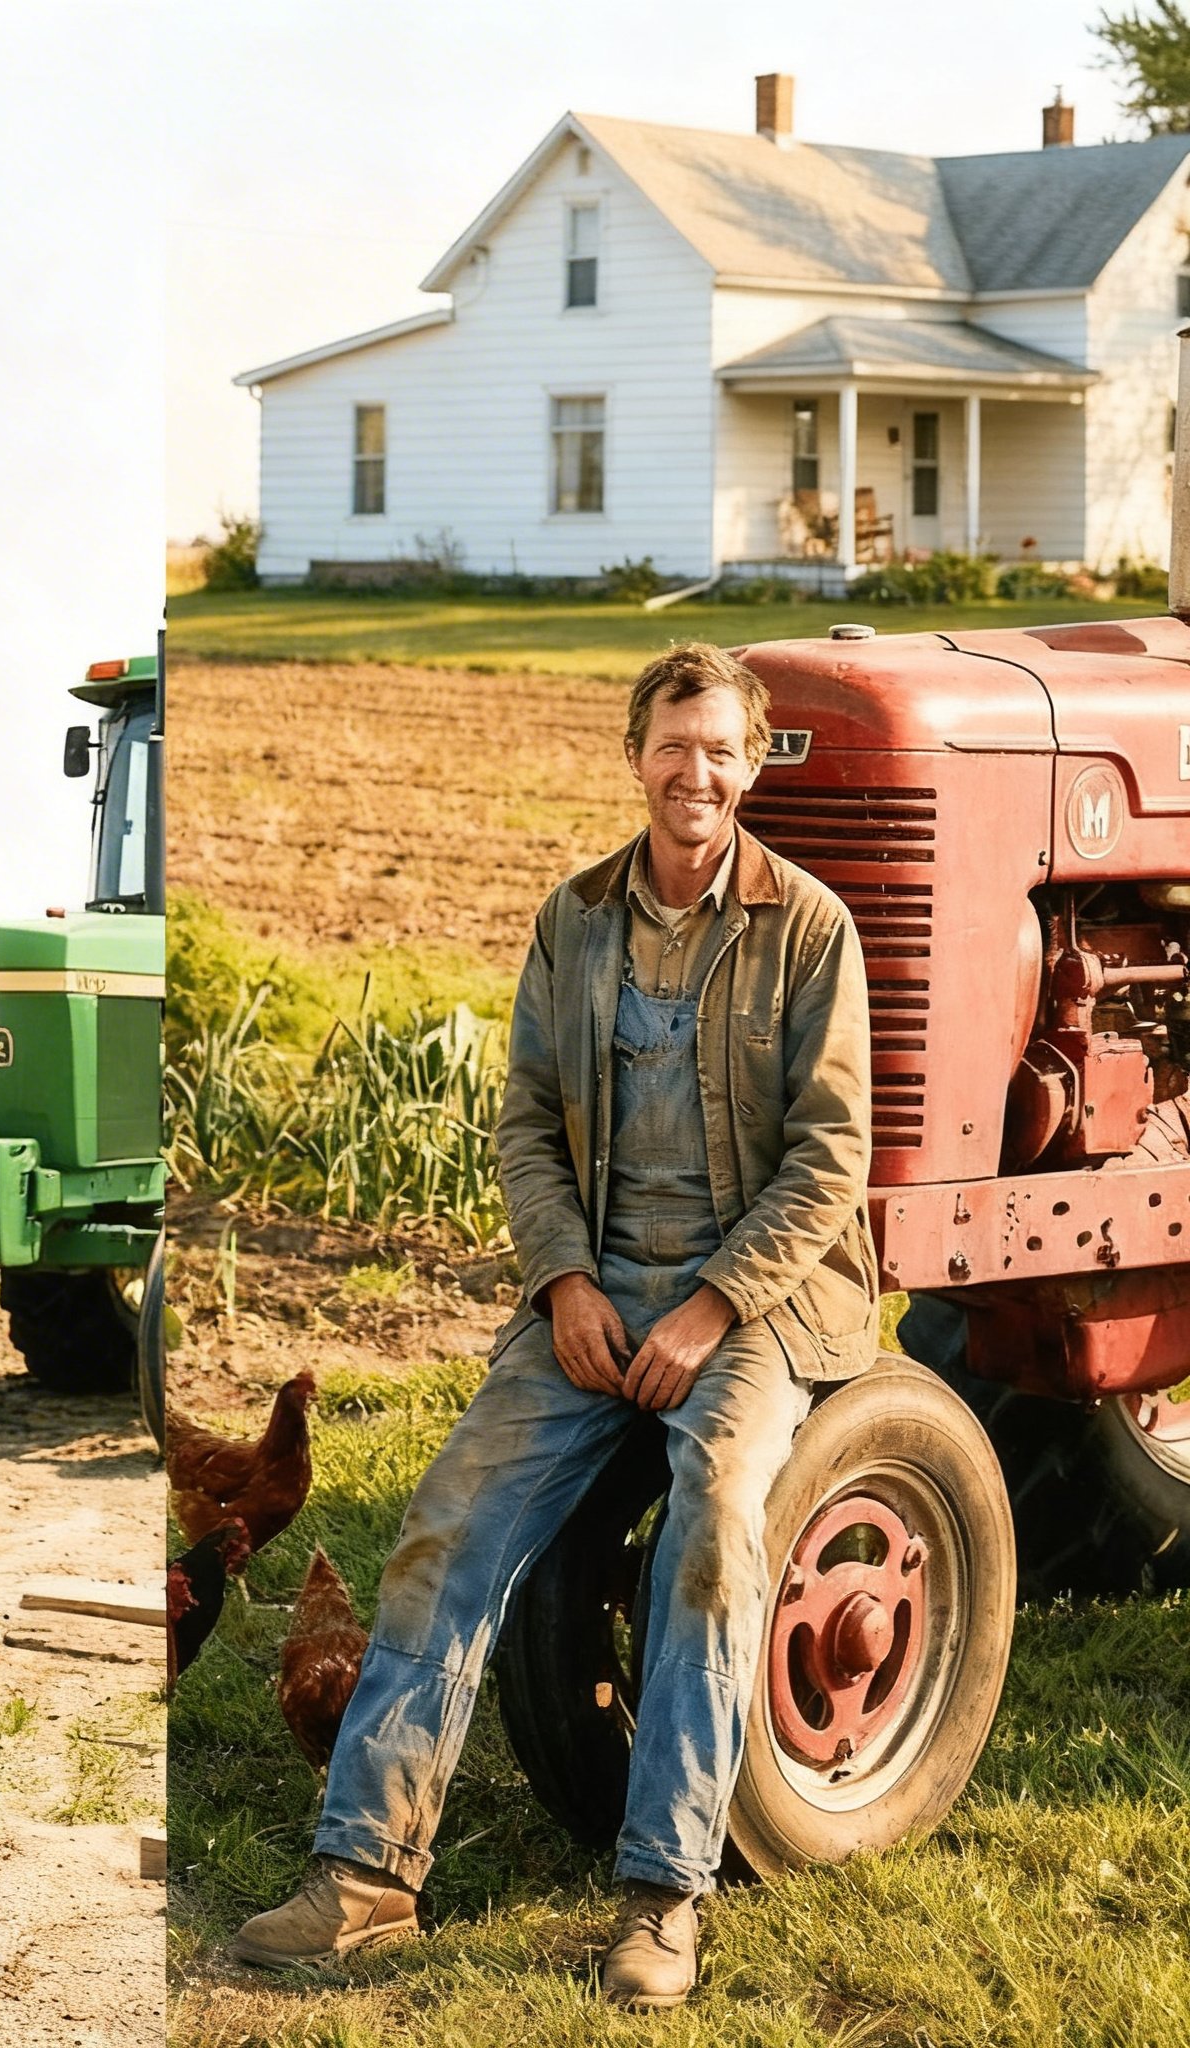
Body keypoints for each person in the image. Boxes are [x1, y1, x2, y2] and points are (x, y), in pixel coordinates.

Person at [229, 641, 879, 2009]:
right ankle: (365, 1877)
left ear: (751, 764)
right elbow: (525, 1124)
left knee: (709, 1538)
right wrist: (565, 1282)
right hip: (594, 1289)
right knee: (446, 1524)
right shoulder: (573, 917)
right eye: (670, 744)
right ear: (634, 756)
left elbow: (830, 1159)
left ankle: (664, 1896)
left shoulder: (812, 930)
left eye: (719, 748)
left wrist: (712, 1305)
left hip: (755, 1301)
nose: (693, 771)